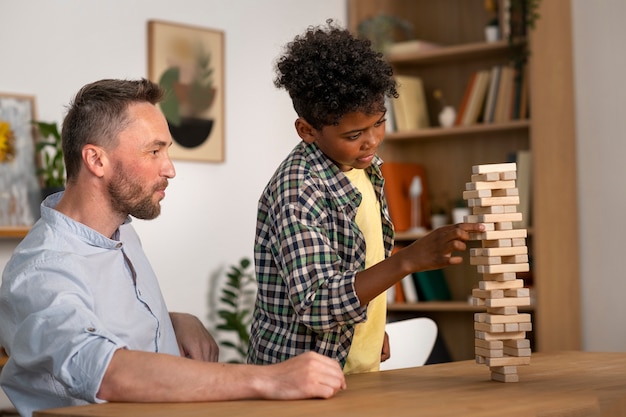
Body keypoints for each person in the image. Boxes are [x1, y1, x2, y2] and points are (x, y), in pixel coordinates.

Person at [0, 78, 346, 417]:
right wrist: (269, 379)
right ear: (96, 160)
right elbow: (108, 372)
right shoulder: (43, 270)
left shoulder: (120, 233)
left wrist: (171, 320)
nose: (170, 169)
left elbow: (103, 317)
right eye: (154, 151)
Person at [247, 21, 484, 374]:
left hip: (354, 362)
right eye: (355, 133)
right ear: (307, 130)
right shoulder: (298, 190)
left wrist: (370, 326)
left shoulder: (363, 168)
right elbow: (316, 303)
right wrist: (409, 260)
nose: (372, 140)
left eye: (379, 123)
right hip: (298, 377)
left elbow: (359, 261)